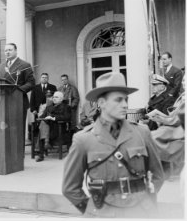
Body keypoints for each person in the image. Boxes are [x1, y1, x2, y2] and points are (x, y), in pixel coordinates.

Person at [62, 72, 164, 218]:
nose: (125, 105)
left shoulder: (142, 133)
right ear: (102, 103)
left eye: (126, 99)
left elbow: (157, 175)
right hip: (103, 213)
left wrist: (146, 202)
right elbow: (70, 188)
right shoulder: (83, 139)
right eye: (118, 100)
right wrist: (93, 210)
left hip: (140, 212)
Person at [0, 43, 35, 154]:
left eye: (10, 50)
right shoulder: (1, 66)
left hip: (18, 101)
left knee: (17, 129)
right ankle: (6, 153)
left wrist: (19, 90)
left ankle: (18, 155)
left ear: (16, 51)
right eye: (5, 50)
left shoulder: (25, 65)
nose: (7, 52)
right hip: (3, 102)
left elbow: (31, 83)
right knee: (4, 128)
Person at [147, 75, 185, 179]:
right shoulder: (182, 97)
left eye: (155, 85)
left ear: (163, 86)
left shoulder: (170, 98)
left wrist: (161, 119)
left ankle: (164, 171)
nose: (184, 83)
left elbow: (173, 117)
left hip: (172, 126)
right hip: (161, 125)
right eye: (184, 80)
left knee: (154, 138)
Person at [36, 91, 71, 162]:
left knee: (42, 128)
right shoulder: (48, 107)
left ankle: (41, 153)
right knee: (43, 123)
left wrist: (53, 118)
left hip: (58, 129)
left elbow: (67, 117)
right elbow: (42, 116)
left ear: (61, 99)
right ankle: (46, 142)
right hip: (48, 129)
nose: (54, 98)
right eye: (53, 97)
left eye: (56, 97)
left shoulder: (66, 107)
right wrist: (40, 118)